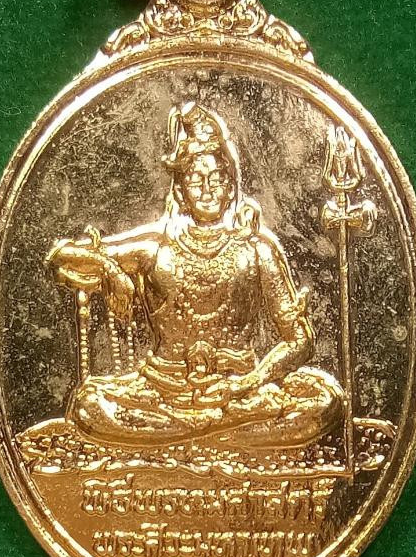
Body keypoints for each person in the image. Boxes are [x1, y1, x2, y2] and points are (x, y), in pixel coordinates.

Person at [47, 101, 343, 448]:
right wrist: (110, 269)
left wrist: (248, 383)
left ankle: (182, 435)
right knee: (89, 405)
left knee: (325, 401)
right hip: (163, 391)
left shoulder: (256, 250)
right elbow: (62, 257)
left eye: (216, 178)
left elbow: (300, 340)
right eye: (195, 179)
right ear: (180, 190)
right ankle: (219, 434)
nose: (207, 189)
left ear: (230, 187)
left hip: (240, 391)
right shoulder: (156, 248)